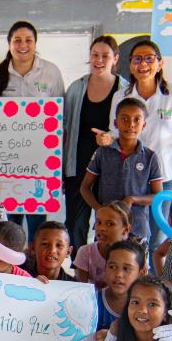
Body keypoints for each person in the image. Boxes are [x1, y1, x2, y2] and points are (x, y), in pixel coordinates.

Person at [102, 40, 172, 251]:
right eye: (137, 59)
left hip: (167, 172)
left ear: (160, 64)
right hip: (134, 173)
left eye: (148, 59)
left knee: (159, 232)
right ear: (130, 64)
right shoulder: (121, 95)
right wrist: (107, 139)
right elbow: (114, 131)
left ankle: (156, 280)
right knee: (132, 231)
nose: (142, 64)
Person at [0, 21, 65, 240]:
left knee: (37, 221)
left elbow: (61, 116)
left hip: (40, 160)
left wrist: (59, 161)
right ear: (9, 44)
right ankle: (11, 268)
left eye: (28, 40)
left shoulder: (51, 72)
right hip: (6, 160)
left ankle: (34, 268)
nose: (23, 45)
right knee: (9, 223)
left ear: (35, 43)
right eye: (17, 40)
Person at [64, 36, 122, 253]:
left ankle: (107, 265)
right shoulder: (76, 89)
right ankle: (79, 266)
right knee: (75, 223)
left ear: (115, 59)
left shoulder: (124, 90)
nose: (99, 60)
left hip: (109, 168)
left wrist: (110, 138)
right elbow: (63, 127)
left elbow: (131, 131)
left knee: (108, 221)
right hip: (78, 164)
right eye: (94, 55)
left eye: (105, 56)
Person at [81, 97, 163, 245]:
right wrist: (100, 209)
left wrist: (132, 199)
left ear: (144, 125)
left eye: (137, 119)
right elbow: (85, 188)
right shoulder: (102, 153)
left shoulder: (150, 157)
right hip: (106, 229)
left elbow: (158, 196)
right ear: (115, 123)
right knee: (104, 267)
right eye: (124, 118)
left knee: (134, 267)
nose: (131, 124)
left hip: (137, 229)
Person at [73, 201, 132, 286]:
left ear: (125, 230)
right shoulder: (86, 252)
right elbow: (81, 289)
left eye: (110, 224)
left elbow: (139, 288)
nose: (102, 228)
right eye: (98, 223)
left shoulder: (134, 255)